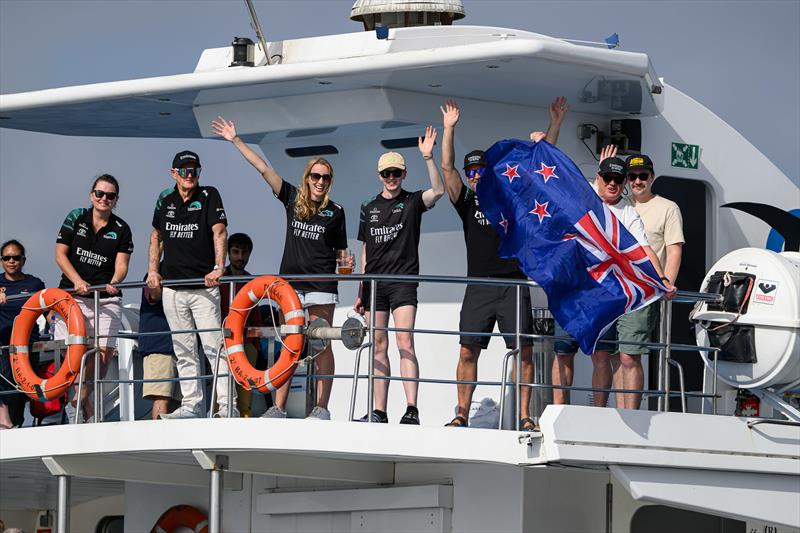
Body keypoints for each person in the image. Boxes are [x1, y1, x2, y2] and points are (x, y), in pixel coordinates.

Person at [439, 98, 567, 429]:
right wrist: (449, 130)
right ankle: (461, 414)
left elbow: (541, 173)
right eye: (472, 171)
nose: (476, 175)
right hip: (479, 286)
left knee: (524, 353)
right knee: (467, 351)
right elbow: (447, 169)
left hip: (513, 285)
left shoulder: (511, 199)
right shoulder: (466, 201)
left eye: (481, 170)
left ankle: (525, 416)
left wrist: (554, 124)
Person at [212, 117, 350, 421]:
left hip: (321, 288)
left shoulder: (337, 212)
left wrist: (349, 269)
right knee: (291, 344)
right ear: (307, 177)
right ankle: (279, 407)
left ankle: (322, 408)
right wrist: (235, 140)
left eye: (325, 177)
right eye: (315, 176)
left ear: (330, 181)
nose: (320, 182)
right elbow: (264, 169)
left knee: (322, 344)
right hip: (290, 287)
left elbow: (342, 254)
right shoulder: (292, 198)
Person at [552, 146, 675, 409]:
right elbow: (555, 173)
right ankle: (558, 410)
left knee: (602, 355)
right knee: (563, 351)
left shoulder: (628, 213)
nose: (612, 184)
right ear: (598, 178)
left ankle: (600, 413)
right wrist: (545, 139)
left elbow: (644, 250)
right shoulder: (585, 194)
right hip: (574, 289)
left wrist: (662, 280)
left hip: (607, 293)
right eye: (607, 178)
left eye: (618, 180)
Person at [353, 126, 444, 424]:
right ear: (379, 175)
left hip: (404, 281)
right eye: (386, 174)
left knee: (405, 342)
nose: (391, 178)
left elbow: (439, 191)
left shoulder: (412, 201)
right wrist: (360, 291)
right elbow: (365, 251)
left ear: (404, 174)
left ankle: (411, 409)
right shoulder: (368, 206)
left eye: (396, 173)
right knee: (378, 345)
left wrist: (429, 158)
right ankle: (379, 410)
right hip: (375, 284)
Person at [148, 150, 237, 419]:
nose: (190, 175)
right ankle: (191, 405)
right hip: (173, 288)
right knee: (184, 350)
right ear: (174, 173)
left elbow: (219, 231)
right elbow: (157, 236)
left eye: (194, 170)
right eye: (184, 170)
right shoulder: (165, 199)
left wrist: (218, 267)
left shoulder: (209, 195)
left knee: (214, 348)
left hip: (203, 287)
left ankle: (226, 406)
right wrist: (152, 270)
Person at [54, 174, 133, 422]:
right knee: (73, 358)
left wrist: (115, 281)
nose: (104, 199)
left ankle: (79, 403)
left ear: (116, 200)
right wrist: (77, 281)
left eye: (110, 196)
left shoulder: (122, 228)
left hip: (105, 300)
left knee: (100, 359)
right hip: (72, 297)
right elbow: (60, 255)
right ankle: (85, 410)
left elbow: (122, 265)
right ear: (91, 195)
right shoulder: (75, 217)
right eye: (99, 193)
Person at [614, 153, 684, 408]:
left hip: (643, 291)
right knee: (613, 357)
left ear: (652, 177)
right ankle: (619, 414)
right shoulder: (620, 204)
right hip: (615, 289)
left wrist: (667, 283)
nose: (637, 181)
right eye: (632, 177)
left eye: (643, 176)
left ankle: (631, 415)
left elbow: (674, 248)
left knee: (630, 356)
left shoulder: (668, 207)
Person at [0, 240, 46, 429]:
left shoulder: (34, 283)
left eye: (16, 257)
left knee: (21, 390)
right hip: (3, 343)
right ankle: (5, 422)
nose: (11, 261)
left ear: (23, 260)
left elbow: (49, 312)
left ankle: (16, 424)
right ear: (1, 260)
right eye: (7, 257)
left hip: (27, 344)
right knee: (4, 382)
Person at [218, 232, 264, 417]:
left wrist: (254, 346)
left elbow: (256, 317)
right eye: (236, 252)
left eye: (244, 253)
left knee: (245, 394)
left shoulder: (250, 281)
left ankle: (245, 424)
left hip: (246, 344)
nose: (240, 257)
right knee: (220, 392)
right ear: (228, 253)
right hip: (221, 343)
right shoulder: (218, 279)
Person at [138, 273, 180, 420]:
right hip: (160, 346)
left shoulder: (175, 271)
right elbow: (153, 295)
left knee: (178, 404)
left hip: (179, 346)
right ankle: (159, 439)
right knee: (162, 398)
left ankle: (173, 441)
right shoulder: (156, 273)